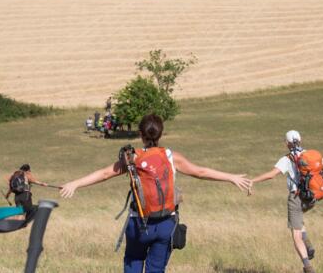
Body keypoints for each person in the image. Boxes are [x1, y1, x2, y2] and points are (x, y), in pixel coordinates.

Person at [60, 114, 252, 273]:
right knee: (156, 269)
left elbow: (104, 174)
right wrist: (231, 177)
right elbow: (200, 172)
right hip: (166, 223)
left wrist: (75, 184)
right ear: (160, 134)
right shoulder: (171, 157)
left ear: (141, 134)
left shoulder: (132, 157)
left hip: (139, 225)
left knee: (133, 262)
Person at [250, 130, 323, 273]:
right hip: (312, 197)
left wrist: (252, 181)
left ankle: (307, 266)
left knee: (296, 234)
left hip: (296, 197)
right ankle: (308, 244)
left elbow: (272, 175)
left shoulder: (287, 159)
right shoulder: (311, 156)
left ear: (286, 143)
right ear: (301, 140)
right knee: (298, 219)